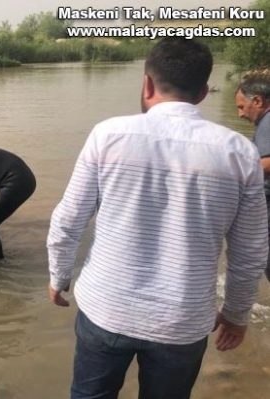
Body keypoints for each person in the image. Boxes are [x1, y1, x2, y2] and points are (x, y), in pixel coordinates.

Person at [46, 38, 268, 399]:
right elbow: (250, 251)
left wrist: (59, 276)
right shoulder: (239, 153)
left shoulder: (108, 135)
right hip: (182, 322)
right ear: (202, 93)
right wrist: (236, 313)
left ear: (147, 83)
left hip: (107, 309)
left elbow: (69, 220)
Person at [234, 69, 270, 282]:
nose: (240, 114)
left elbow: (267, 163)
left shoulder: (267, 121)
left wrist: (234, 176)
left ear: (257, 101)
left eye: (241, 107)